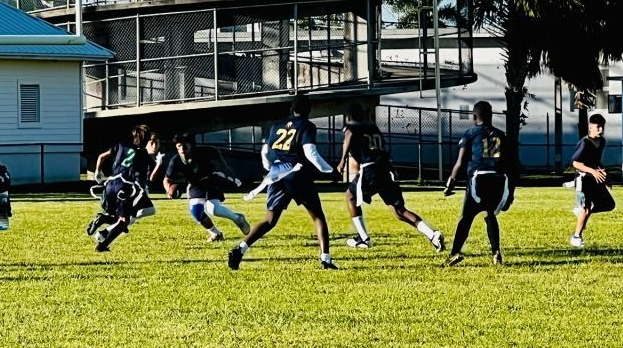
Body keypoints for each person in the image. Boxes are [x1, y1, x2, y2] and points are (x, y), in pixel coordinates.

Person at [229, 93, 339, 270]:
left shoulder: (277, 125)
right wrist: (330, 170)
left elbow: (265, 151)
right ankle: (325, 260)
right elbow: (310, 152)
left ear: (291, 108)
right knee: (318, 217)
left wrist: (270, 170)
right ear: (309, 109)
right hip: (297, 175)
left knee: (270, 220)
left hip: (277, 174)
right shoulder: (307, 126)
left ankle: (240, 249)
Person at [336, 103, 444, 252]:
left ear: (348, 117)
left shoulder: (352, 127)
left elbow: (350, 134)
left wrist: (342, 160)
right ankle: (432, 234)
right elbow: (383, 149)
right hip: (384, 168)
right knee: (398, 211)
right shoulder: (373, 127)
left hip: (370, 168)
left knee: (350, 196)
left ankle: (363, 239)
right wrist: (391, 167)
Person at [442, 101, 511, 266]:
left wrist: (450, 183)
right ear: (491, 116)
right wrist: (511, 193)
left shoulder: (471, 133)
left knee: (466, 218)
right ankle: (496, 253)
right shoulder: (501, 135)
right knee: (490, 214)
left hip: (479, 179)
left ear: (474, 117)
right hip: (498, 179)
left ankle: (455, 253)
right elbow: (511, 164)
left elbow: (460, 161)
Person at [163, 134, 249, 242]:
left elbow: (218, 156)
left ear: (191, 145)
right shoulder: (175, 160)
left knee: (214, 209)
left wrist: (229, 174)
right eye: (179, 146)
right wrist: (168, 190)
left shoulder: (202, 152)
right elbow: (166, 179)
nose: (182, 149)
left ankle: (237, 218)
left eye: (184, 146)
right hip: (195, 185)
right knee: (196, 212)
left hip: (210, 180)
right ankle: (216, 234)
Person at [90, 125, 158, 252]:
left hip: (110, 184)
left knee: (129, 217)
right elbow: (143, 178)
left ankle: (104, 225)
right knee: (124, 221)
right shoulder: (143, 155)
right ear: (147, 140)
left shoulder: (121, 145)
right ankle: (102, 245)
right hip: (125, 187)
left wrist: (97, 172)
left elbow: (101, 157)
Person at [569, 113, 616, 249]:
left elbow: (596, 161)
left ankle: (581, 213)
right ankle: (576, 237)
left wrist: (603, 173)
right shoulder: (584, 143)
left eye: (603, 127)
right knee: (586, 208)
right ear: (590, 127)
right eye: (598, 127)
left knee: (609, 204)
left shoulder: (601, 142)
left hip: (595, 179)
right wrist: (593, 171)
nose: (601, 130)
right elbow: (576, 163)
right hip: (583, 179)